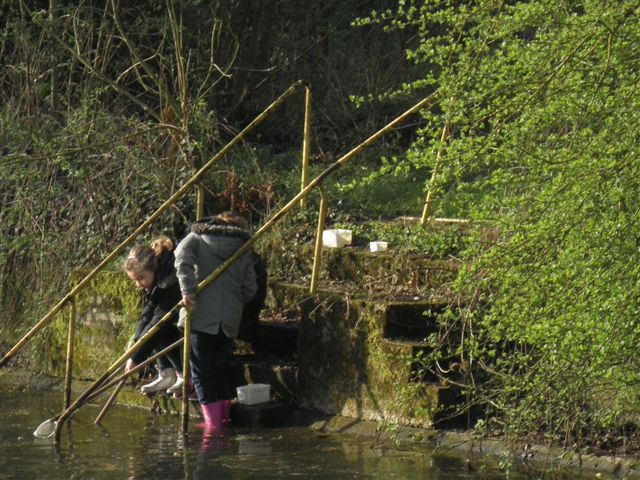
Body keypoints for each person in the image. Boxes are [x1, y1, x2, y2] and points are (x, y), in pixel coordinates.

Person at [174, 211, 257, 429]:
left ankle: (213, 426)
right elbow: (250, 287)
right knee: (219, 369)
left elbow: (181, 256)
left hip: (200, 315)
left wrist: (188, 291)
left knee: (200, 372)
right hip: (229, 318)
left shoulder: (197, 238)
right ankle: (223, 419)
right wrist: (234, 303)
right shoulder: (243, 247)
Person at [124, 236, 184, 395]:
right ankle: (167, 373)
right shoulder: (158, 276)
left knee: (159, 329)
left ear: (153, 268)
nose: (138, 284)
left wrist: (136, 358)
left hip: (193, 320)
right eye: (135, 280)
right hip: (176, 318)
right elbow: (147, 314)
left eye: (141, 278)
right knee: (150, 330)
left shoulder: (169, 280)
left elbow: (159, 320)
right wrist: (135, 342)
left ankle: (183, 374)